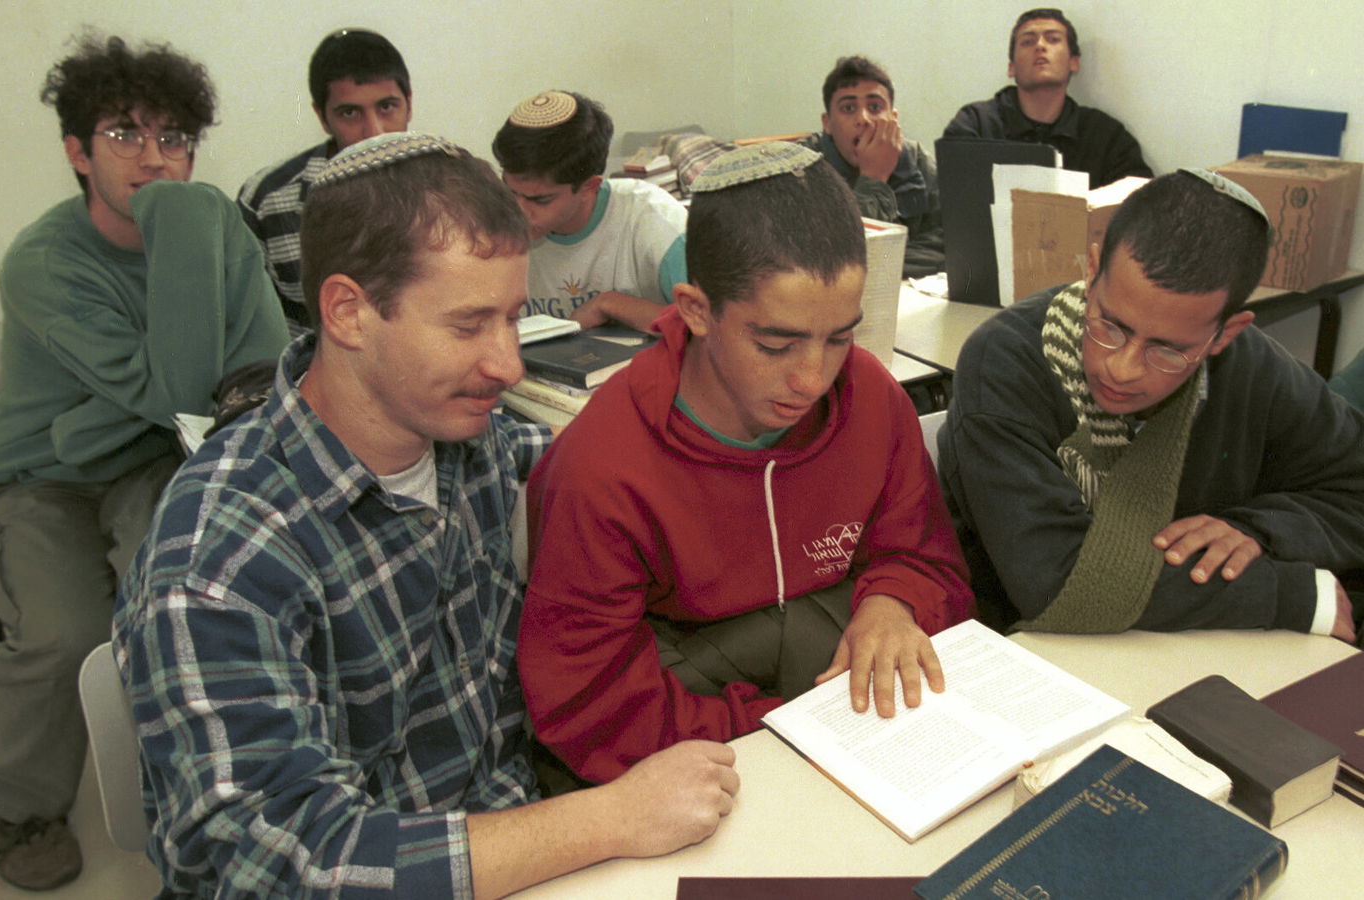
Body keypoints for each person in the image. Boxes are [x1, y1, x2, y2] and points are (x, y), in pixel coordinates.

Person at [114, 133, 740, 898]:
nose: (508, 364)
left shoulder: (472, 444)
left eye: (512, 320)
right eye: (468, 325)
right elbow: (287, 868)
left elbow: (629, 485)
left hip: (522, 843)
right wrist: (609, 818)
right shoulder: (219, 558)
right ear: (348, 312)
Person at [519, 142, 974, 785]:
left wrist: (893, 605)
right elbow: (590, 704)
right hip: (706, 744)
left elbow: (928, 560)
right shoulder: (602, 469)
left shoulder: (872, 397)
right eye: (775, 344)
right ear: (696, 310)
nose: (813, 378)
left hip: (835, 715)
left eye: (840, 337)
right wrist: (784, 728)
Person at [0, 34, 287, 891]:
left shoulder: (216, 225)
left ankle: (198, 785)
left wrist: (110, 416)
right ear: (77, 152)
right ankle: (12, 801)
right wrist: (183, 221)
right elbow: (180, 387)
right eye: (124, 134)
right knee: (66, 633)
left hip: (156, 455)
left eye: (174, 137)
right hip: (45, 473)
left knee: (187, 605)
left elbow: (257, 371)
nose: (154, 158)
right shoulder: (43, 262)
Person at [940, 168, 1364, 643]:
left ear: (1225, 334)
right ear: (1092, 269)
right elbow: (1058, 581)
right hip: (1034, 648)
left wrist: (1261, 530)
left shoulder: (1254, 367)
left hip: (1185, 644)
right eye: (1110, 325)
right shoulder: (1005, 362)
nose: (1122, 369)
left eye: (1167, 350)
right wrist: (1293, 595)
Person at [238, 28, 412, 330]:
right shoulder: (267, 200)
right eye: (350, 113)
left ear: (409, 103)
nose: (374, 132)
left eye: (386, 107)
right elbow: (251, 326)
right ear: (322, 117)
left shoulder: (451, 188)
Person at [492, 90, 687, 330]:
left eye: (540, 200)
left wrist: (609, 304)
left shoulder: (655, 221)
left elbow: (712, 326)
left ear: (589, 186)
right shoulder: (491, 225)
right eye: (511, 192)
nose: (519, 213)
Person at [943, 8, 1152, 190]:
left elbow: (1140, 201)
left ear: (1073, 62)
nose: (1040, 46)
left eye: (1053, 39)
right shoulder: (976, 125)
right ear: (1011, 68)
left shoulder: (1104, 135)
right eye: (1027, 42)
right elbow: (953, 199)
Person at [798, 55, 944, 277]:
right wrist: (874, 177)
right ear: (827, 123)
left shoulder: (916, 159)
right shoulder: (803, 168)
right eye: (848, 108)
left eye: (875, 107)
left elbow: (948, 242)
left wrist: (882, 265)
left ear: (893, 118)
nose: (863, 119)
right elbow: (838, 262)